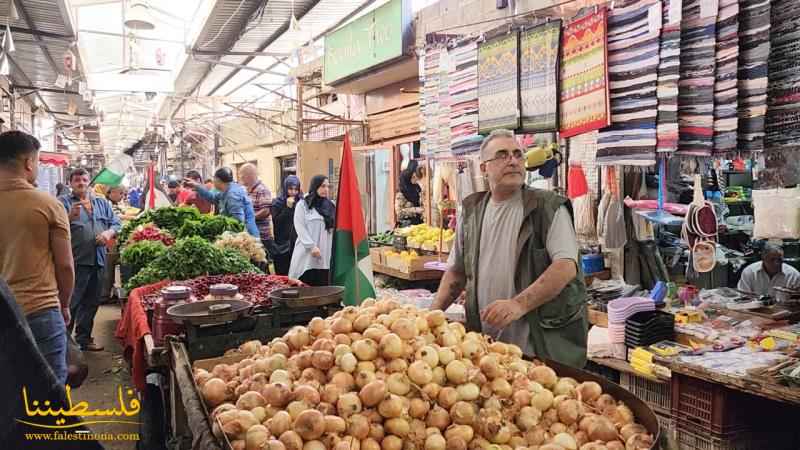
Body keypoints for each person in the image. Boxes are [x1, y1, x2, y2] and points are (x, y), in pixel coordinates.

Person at [432, 129, 588, 368]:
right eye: (502, 155)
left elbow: (566, 266)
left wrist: (518, 304)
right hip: (484, 350)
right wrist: (429, 318)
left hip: (539, 349)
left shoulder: (548, 208)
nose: (513, 161)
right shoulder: (472, 212)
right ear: (484, 168)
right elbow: (456, 272)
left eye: (517, 154)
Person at [0, 131, 75, 384]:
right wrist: (64, 304)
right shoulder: (48, 205)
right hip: (39, 310)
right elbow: (65, 266)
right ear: (28, 163)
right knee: (49, 394)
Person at [59, 168, 121, 352]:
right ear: (70, 183)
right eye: (77, 180)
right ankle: (65, 346)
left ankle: (84, 339)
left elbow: (116, 223)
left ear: (89, 182)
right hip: (75, 261)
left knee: (92, 302)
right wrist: (69, 218)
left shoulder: (101, 203)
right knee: (72, 302)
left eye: (84, 179)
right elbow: (53, 227)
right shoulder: (62, 203)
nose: (81, 183)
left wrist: (108, 233)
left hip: (98, 260)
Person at [185, 167, 259, 237]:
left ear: (218, 180)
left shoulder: (232, 195)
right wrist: (197, 186)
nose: (213, 181)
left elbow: (238, 222)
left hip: (246, 237)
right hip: (240, 234)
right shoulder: (226, 190)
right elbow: (212, 198)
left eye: (214, 178)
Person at [289, 175, 336, 286]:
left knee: (323, 286)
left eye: (328, 186)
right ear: (315, 186)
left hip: (325, 252)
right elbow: (300, 227)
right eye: (322, 186)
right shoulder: (303, 205)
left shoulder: (331, 205)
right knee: (305, 286)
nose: (326, 189)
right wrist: (311, 246)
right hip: (307, 252)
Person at [239, 164, 275, 268]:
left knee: (261, 266)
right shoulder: (246, 190)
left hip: (262, 236)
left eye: (241, 175)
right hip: (250, 236)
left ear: (249, 175)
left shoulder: (262, 189)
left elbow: (266, 211)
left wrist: (250, 218)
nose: (240, 178)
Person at [271, 175, 303, 275]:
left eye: (296, 189)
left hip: (297, 243)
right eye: (290, 189)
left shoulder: (301, 203)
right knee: (283, 273)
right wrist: (288, 208)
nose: (293, 192)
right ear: (285, 188)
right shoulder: (277, 203)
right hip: (282, 245)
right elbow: (277, 221)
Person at [395, 160, 425, 226]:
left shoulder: (417, 187)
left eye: (415, 176)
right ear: (407, 179)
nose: (415, 179)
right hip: (407, 225)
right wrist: (415, 210)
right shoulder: (401, 194)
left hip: (420, 222)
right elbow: (399, 212)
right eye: (413, 177)